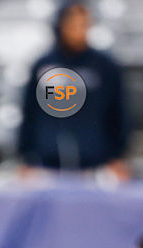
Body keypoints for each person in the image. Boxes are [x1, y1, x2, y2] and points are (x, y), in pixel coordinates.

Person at [17, 2, 131, 181]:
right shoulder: (43, 66)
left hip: (96, 165)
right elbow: (30, 113)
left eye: (83, 24)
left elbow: (118, 112)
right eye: (72, 24)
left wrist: (117, 155)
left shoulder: (105, 67)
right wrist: (26, 155)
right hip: (47, 165)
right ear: (61, 25)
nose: (78, 30)